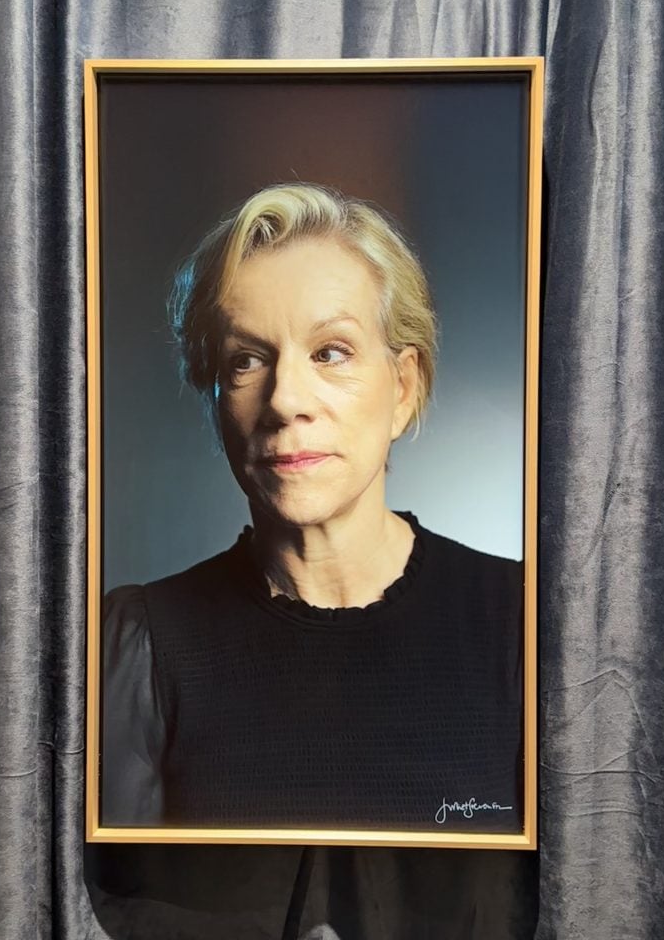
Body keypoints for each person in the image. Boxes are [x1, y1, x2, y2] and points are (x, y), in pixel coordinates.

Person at [102, 184, 522, 832]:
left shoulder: (524, 622)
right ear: (215, 400)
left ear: (403, 388)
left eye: (331, 352)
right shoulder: (143, 647)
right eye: (247, 359)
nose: (284, 400)